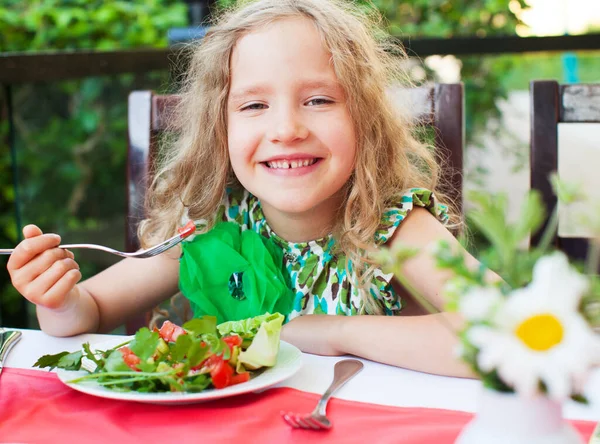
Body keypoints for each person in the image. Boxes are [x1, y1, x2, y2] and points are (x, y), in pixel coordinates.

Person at [7, 0, 483, 378]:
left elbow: (506, 333)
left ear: (366, 119)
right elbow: (86, 312)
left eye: (318, 99)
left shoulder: (394, 228)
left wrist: (333, 332)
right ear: (221, 129)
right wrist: (57, 300)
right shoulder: (214, 224)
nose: (286, 129)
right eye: (254, 105)